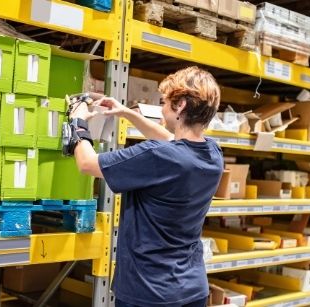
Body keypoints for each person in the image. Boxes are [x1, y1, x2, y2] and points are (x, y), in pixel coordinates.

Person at [70, 66, 224, 307]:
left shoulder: (159, 156)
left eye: (165, 101)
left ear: (181, 105)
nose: (162, 108)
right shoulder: (213, 153)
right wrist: (125, 113)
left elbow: (87, 164)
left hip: (149, 291)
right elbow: (170, 141)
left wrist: (77, 122)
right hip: (191, 289)